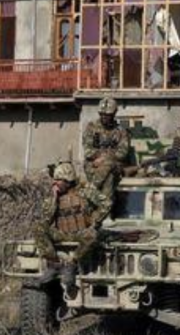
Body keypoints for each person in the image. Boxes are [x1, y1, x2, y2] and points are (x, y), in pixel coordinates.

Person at [33, 161, 111, 298]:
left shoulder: (85, 191)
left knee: (93, 234)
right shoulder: (53, 197)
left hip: (81, 233)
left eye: (59, 180)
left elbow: (106, 203)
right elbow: (47, 219)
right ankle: (54, 265)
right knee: (39, 227)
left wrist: (96, 221)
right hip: (62, 233)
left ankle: (72, 264)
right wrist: (54, 199)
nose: (55, 183)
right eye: (55, 180)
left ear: (68, 180)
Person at [82, 96, 131, 196]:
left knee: (109, 176)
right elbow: (87, 151)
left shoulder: (121, 131)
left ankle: (92, 192)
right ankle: (102, 205)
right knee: (106, 178)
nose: (104, 117)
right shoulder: (91, 128)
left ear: (114, 114)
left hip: (113, 166)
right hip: (94, 165)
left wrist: (104, 158)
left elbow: (122, 153)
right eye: (102, 114)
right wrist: (99, 157)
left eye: (107, 115)